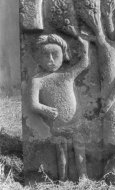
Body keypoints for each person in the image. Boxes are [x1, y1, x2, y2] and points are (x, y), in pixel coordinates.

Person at [30, 33, 89, 180]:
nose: (51, 60)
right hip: (57, 124)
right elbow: (33, 104)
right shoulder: (38, 80)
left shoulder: (67, 74)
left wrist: (84, 44)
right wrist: (46, 109)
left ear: (63, 55)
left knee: (79, 147)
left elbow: (85, 62)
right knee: (61, 150)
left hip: (75, 121)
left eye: (55, 55)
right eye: (46, 55)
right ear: (38, 57)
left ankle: (83, 177)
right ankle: (63, 179)